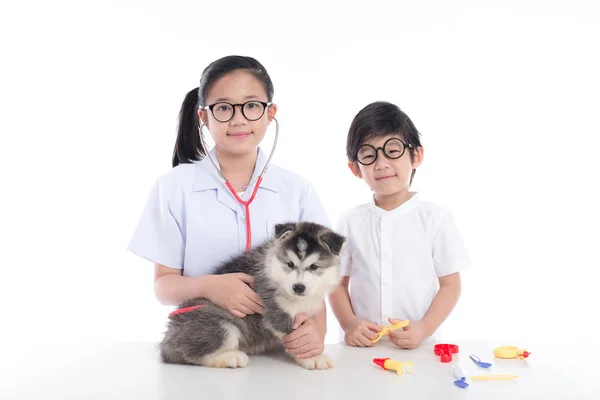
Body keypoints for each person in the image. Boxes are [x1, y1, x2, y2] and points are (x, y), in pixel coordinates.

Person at [128, 55, 330, 359]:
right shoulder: (174, 187)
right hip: (210, 345)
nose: (238, 119)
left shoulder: (297, 189)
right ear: (203, 117)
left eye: (251, 106)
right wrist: (211, 286)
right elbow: (163, 287)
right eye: (223, 108)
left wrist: (317, 332)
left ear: (270, 113)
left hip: (278, 353)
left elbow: (317, 276)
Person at [329, 101, 470, 349]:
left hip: (420, 346)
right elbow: (336, 283)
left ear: (416, 156)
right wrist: (350, 324)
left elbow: (451, 285)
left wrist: (424, 329)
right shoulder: (350, 221)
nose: (381, 163)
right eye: (369, 154)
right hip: (362, 348)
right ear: (355, 168)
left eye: (392, 150)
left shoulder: (435, 218)